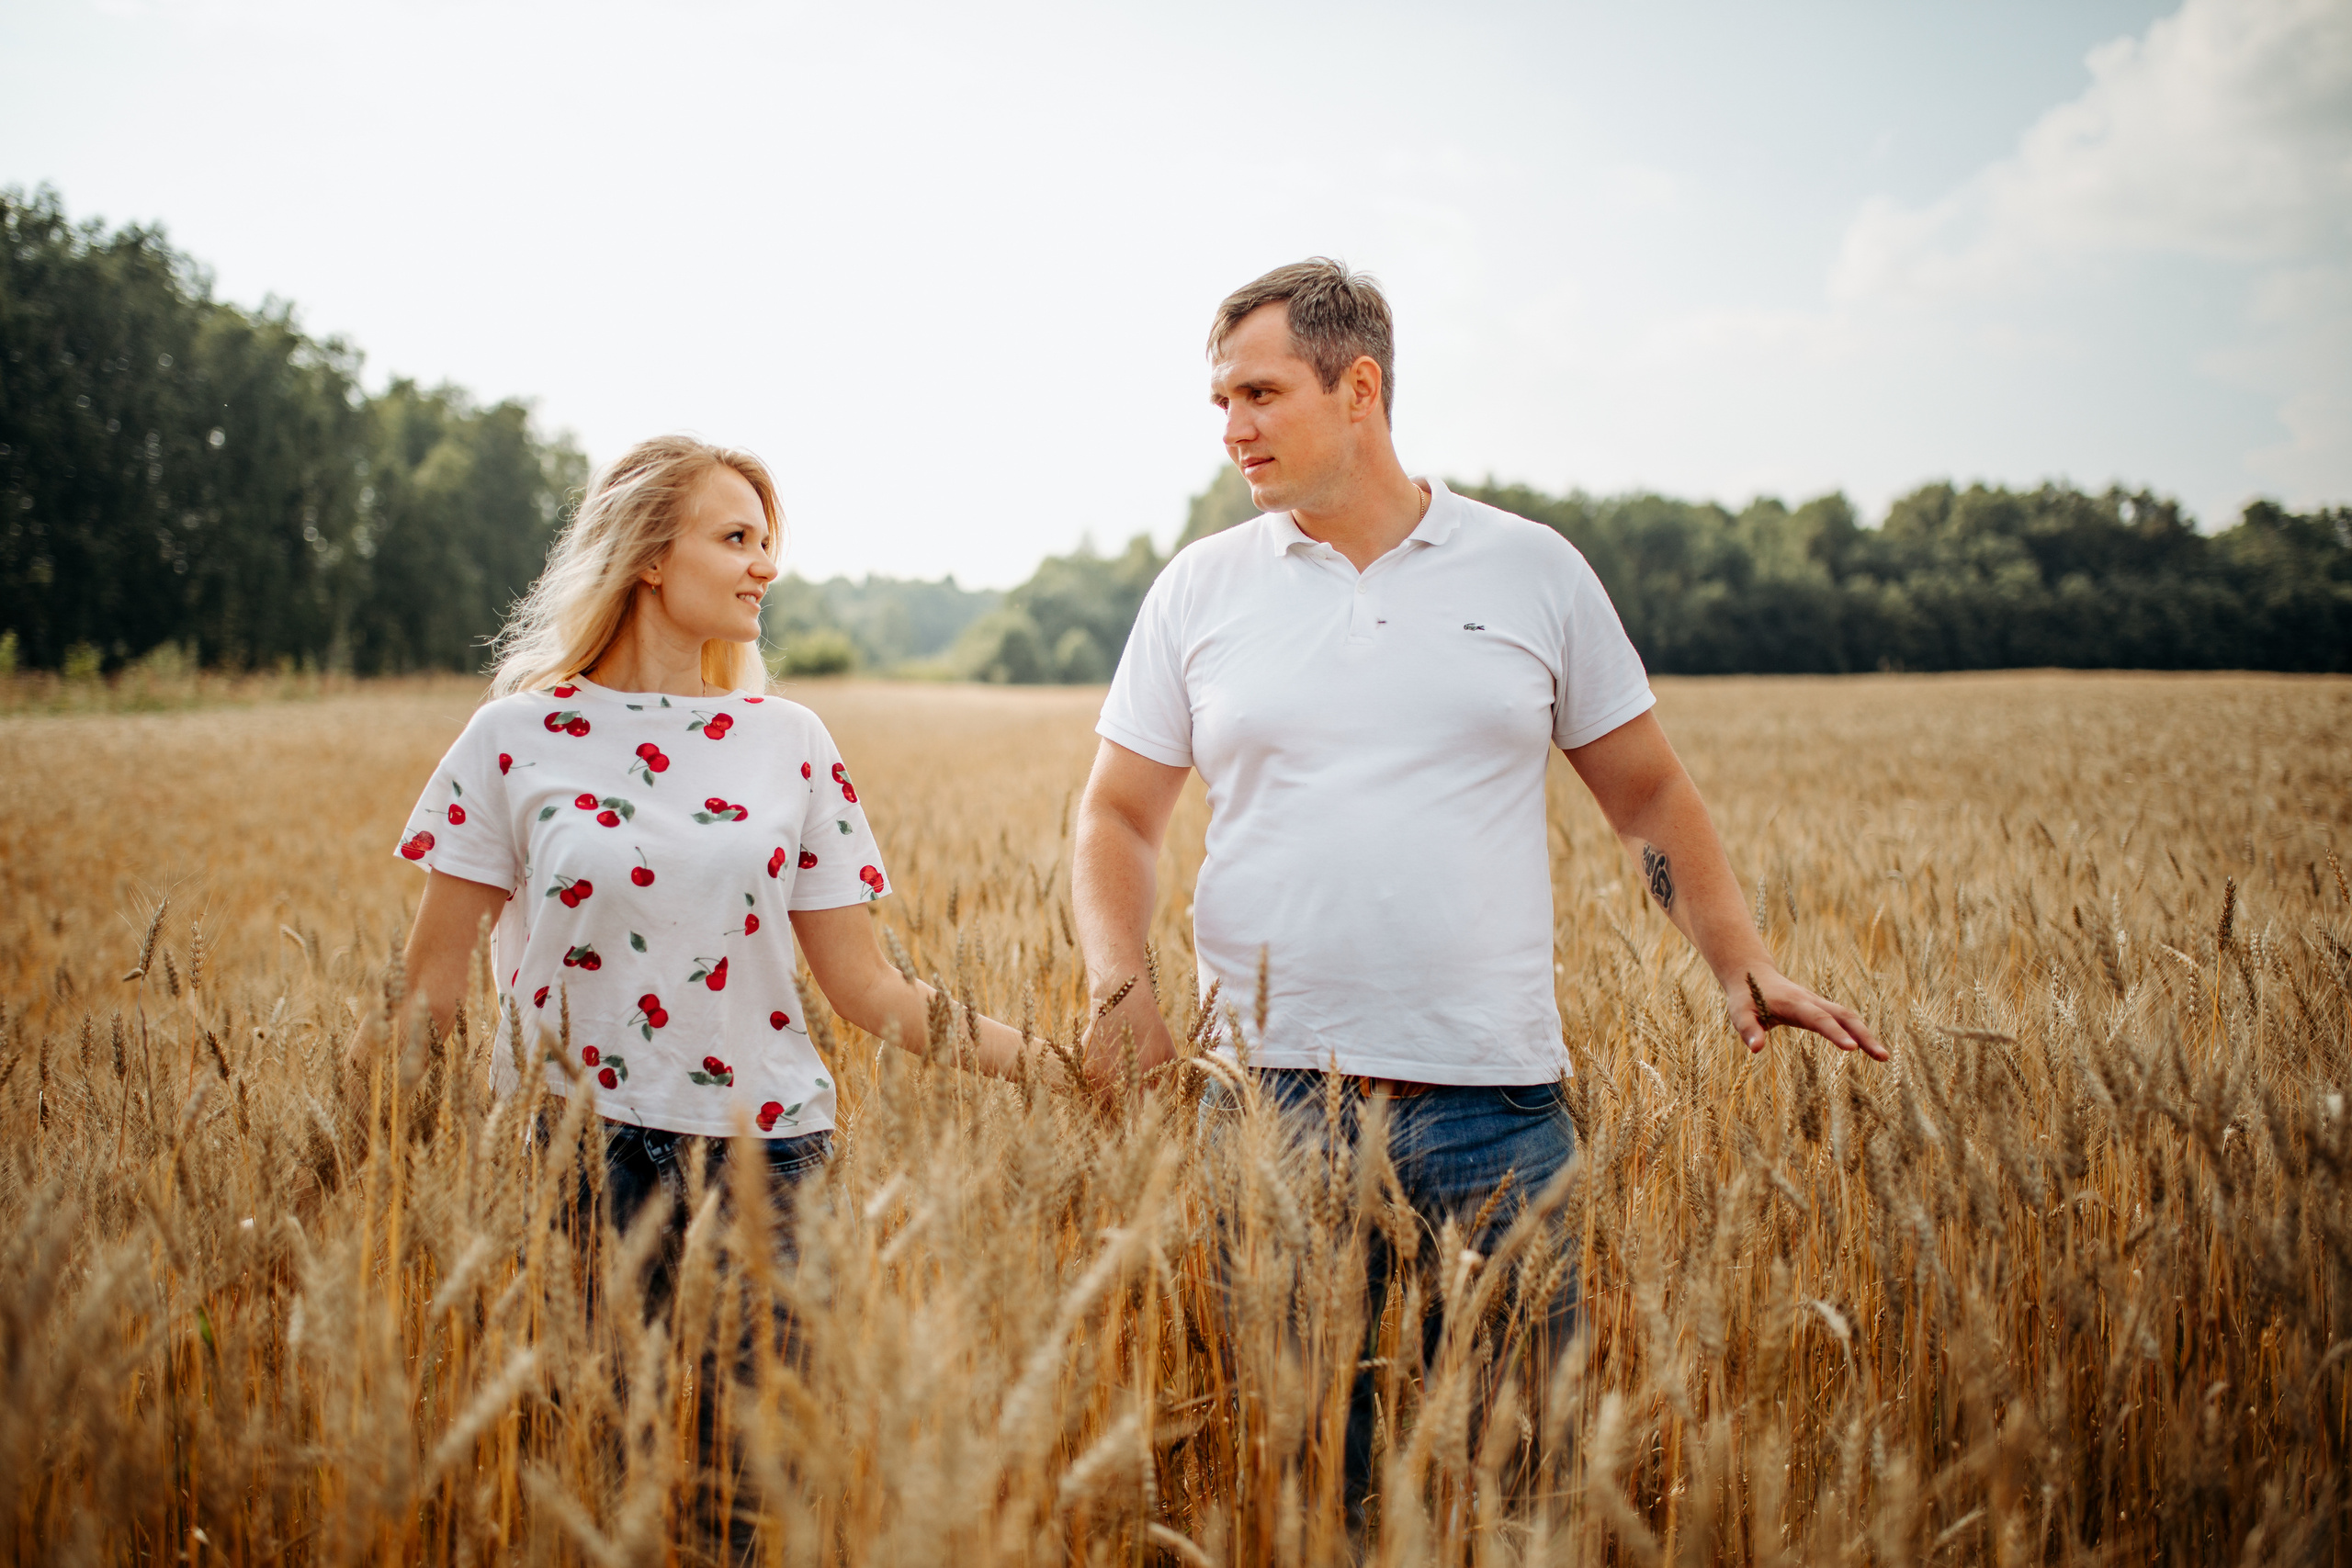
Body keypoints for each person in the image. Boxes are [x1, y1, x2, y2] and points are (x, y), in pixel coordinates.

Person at [1070, 259, 1886, 1509]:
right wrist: (1118, 984)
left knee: (1521, 1493)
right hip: (1271, 1105)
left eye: (1258, 392)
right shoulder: (1200, 588)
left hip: (1494, 1110)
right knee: (1308, 1498)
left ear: (1360, 388)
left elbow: (1649, 795)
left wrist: (1740, 956)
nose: (1230, 427)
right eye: (1219, 399)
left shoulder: (1531, 570)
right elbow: (1118, 814)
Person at [397, 434, 1046, 1262]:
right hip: (571, 1155)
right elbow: (424, 992)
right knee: (587, 1400)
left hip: (764, 1163)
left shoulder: (791, 740)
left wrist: (1060, 1067)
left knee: (758, 1400)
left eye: (766, 543)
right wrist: (325, 1171)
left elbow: (868, 984)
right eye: (736, 538)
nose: (765, 566)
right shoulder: (514, 736)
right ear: (650, 557)